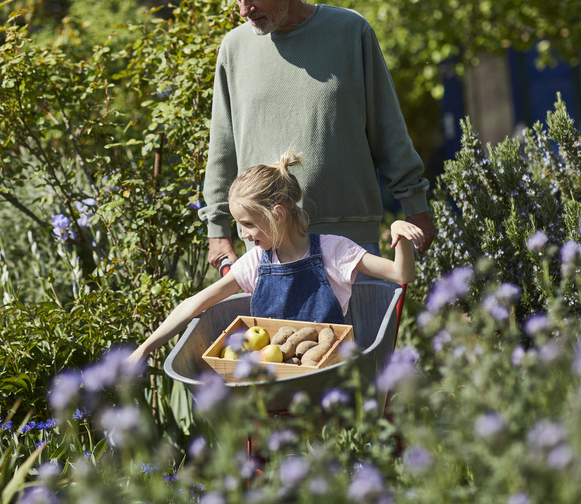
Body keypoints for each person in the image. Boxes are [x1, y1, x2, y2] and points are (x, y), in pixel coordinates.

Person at [199, 0, 435, 270]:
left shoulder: (350, 32)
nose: (243, 10)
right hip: (266, 243)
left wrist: (415, 204)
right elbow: (222, 148)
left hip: (350, 239)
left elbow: (388, 128)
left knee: (356, 326)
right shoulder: (235, 49)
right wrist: (218, 230)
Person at [129, 153, 421, 363]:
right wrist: (143, 349)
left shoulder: (333, 251)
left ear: (278, 215)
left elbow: (401, 275)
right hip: (271, 381)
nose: (242, 235)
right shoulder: (256, 262)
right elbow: (194, 305)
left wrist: (400, 235)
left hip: (326, 376)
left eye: (248, 224)